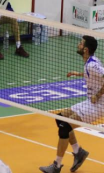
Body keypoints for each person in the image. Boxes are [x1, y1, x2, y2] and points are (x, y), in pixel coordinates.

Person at [39, 36, 104, 173]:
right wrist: (79, 73)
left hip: (98, 106)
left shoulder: (92, 65)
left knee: (64, 127)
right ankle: (78, 152)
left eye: (80, 43)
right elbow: (92, 75)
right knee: (60, 118)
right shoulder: (90, 62)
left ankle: (56, 165)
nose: (78, 44)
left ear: (85, 49)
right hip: (90, 102)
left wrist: (97, 95)